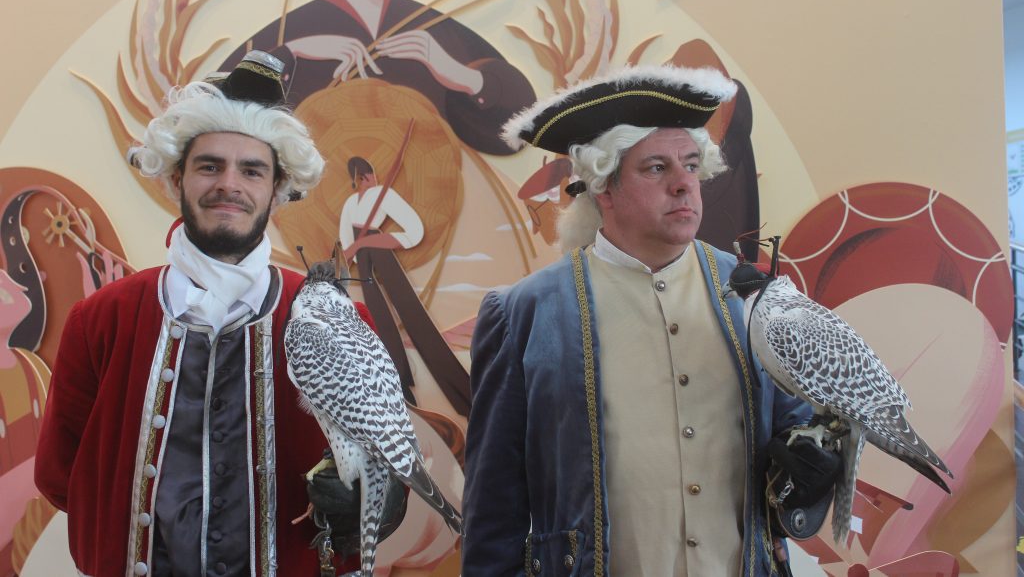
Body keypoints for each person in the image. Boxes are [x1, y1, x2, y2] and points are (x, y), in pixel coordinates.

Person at [462, 65, 831, 576]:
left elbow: (797, 434)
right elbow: (493, 505)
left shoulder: (756, 298)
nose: (683, 185)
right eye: (656, 168)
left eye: (690, 165)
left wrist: (811, 462)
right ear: (603, 188)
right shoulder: (525, 313)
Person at [33, 52, 377, 576]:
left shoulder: (338, 322)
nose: (229, 185)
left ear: (277, 191)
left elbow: (379, 472)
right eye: (209, 166)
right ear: (177, 179)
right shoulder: (101, 319)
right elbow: (61, 475)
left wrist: (362, 501)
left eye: (251, 170)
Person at [220, 0, 536, 156]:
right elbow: (219, 110)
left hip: (427, 185)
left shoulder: (422, 23)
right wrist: (293, 50)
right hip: (318, 199)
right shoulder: (300, 24)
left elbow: (523, 125)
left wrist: (459, 74)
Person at [339, 156, 470, 414]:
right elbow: (346, 243)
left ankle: (455, 387)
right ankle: (398, 387)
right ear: (357, 179)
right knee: (378, 318)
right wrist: (351, 252)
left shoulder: (382, 194)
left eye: (369, 174)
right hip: (363, 261)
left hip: (380, 251)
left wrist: (367, 241)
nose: (369, 179)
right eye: (364, 176)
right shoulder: (350, 203)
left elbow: (414, 231)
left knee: (410, 311)